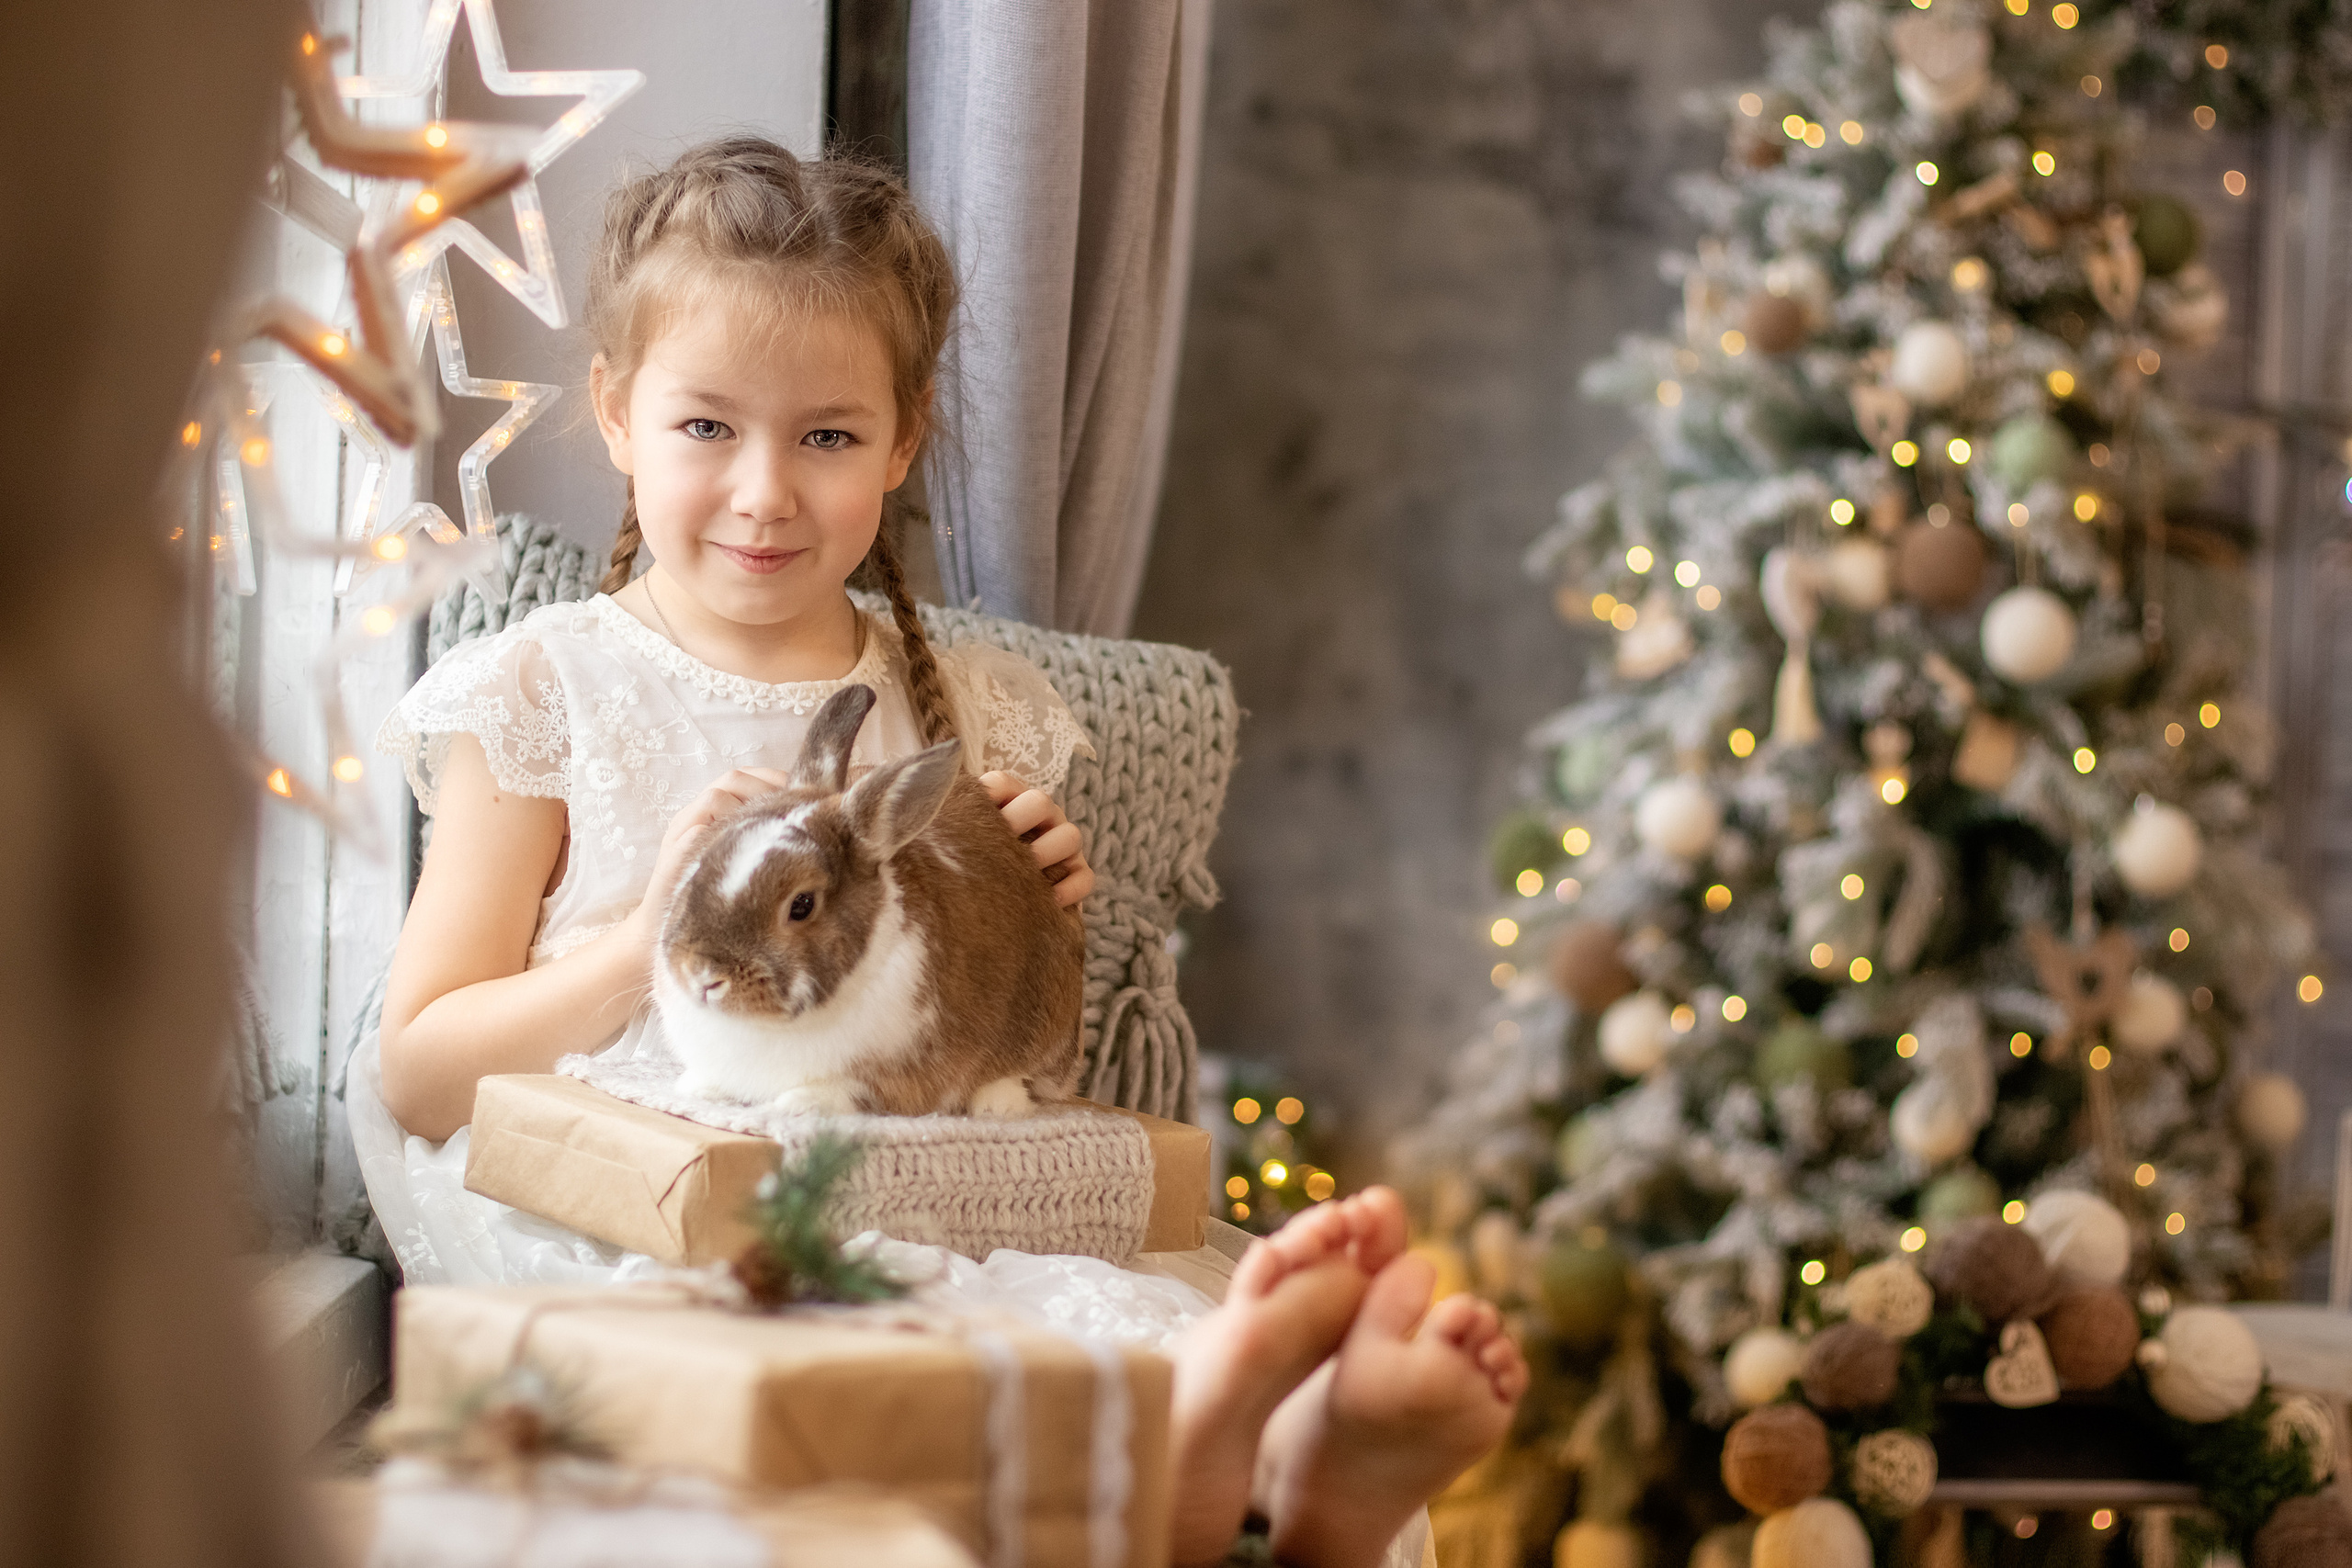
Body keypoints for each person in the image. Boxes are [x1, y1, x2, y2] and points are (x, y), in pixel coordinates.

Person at [344, 135, 1522, 1565]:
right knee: (834, 1396)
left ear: (902, 443)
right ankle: (1216, 1479)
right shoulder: (540, 692)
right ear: (614, 413)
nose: (767, 491)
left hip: (917, 1170)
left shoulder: (968, 711)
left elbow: (990, 1068)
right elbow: (419, 1068)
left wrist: (1024, 911)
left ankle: (1250, 1472)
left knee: (1031, 1328)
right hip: (639, 1188)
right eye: (707, 427)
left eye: (827, 436)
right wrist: (647, 936)